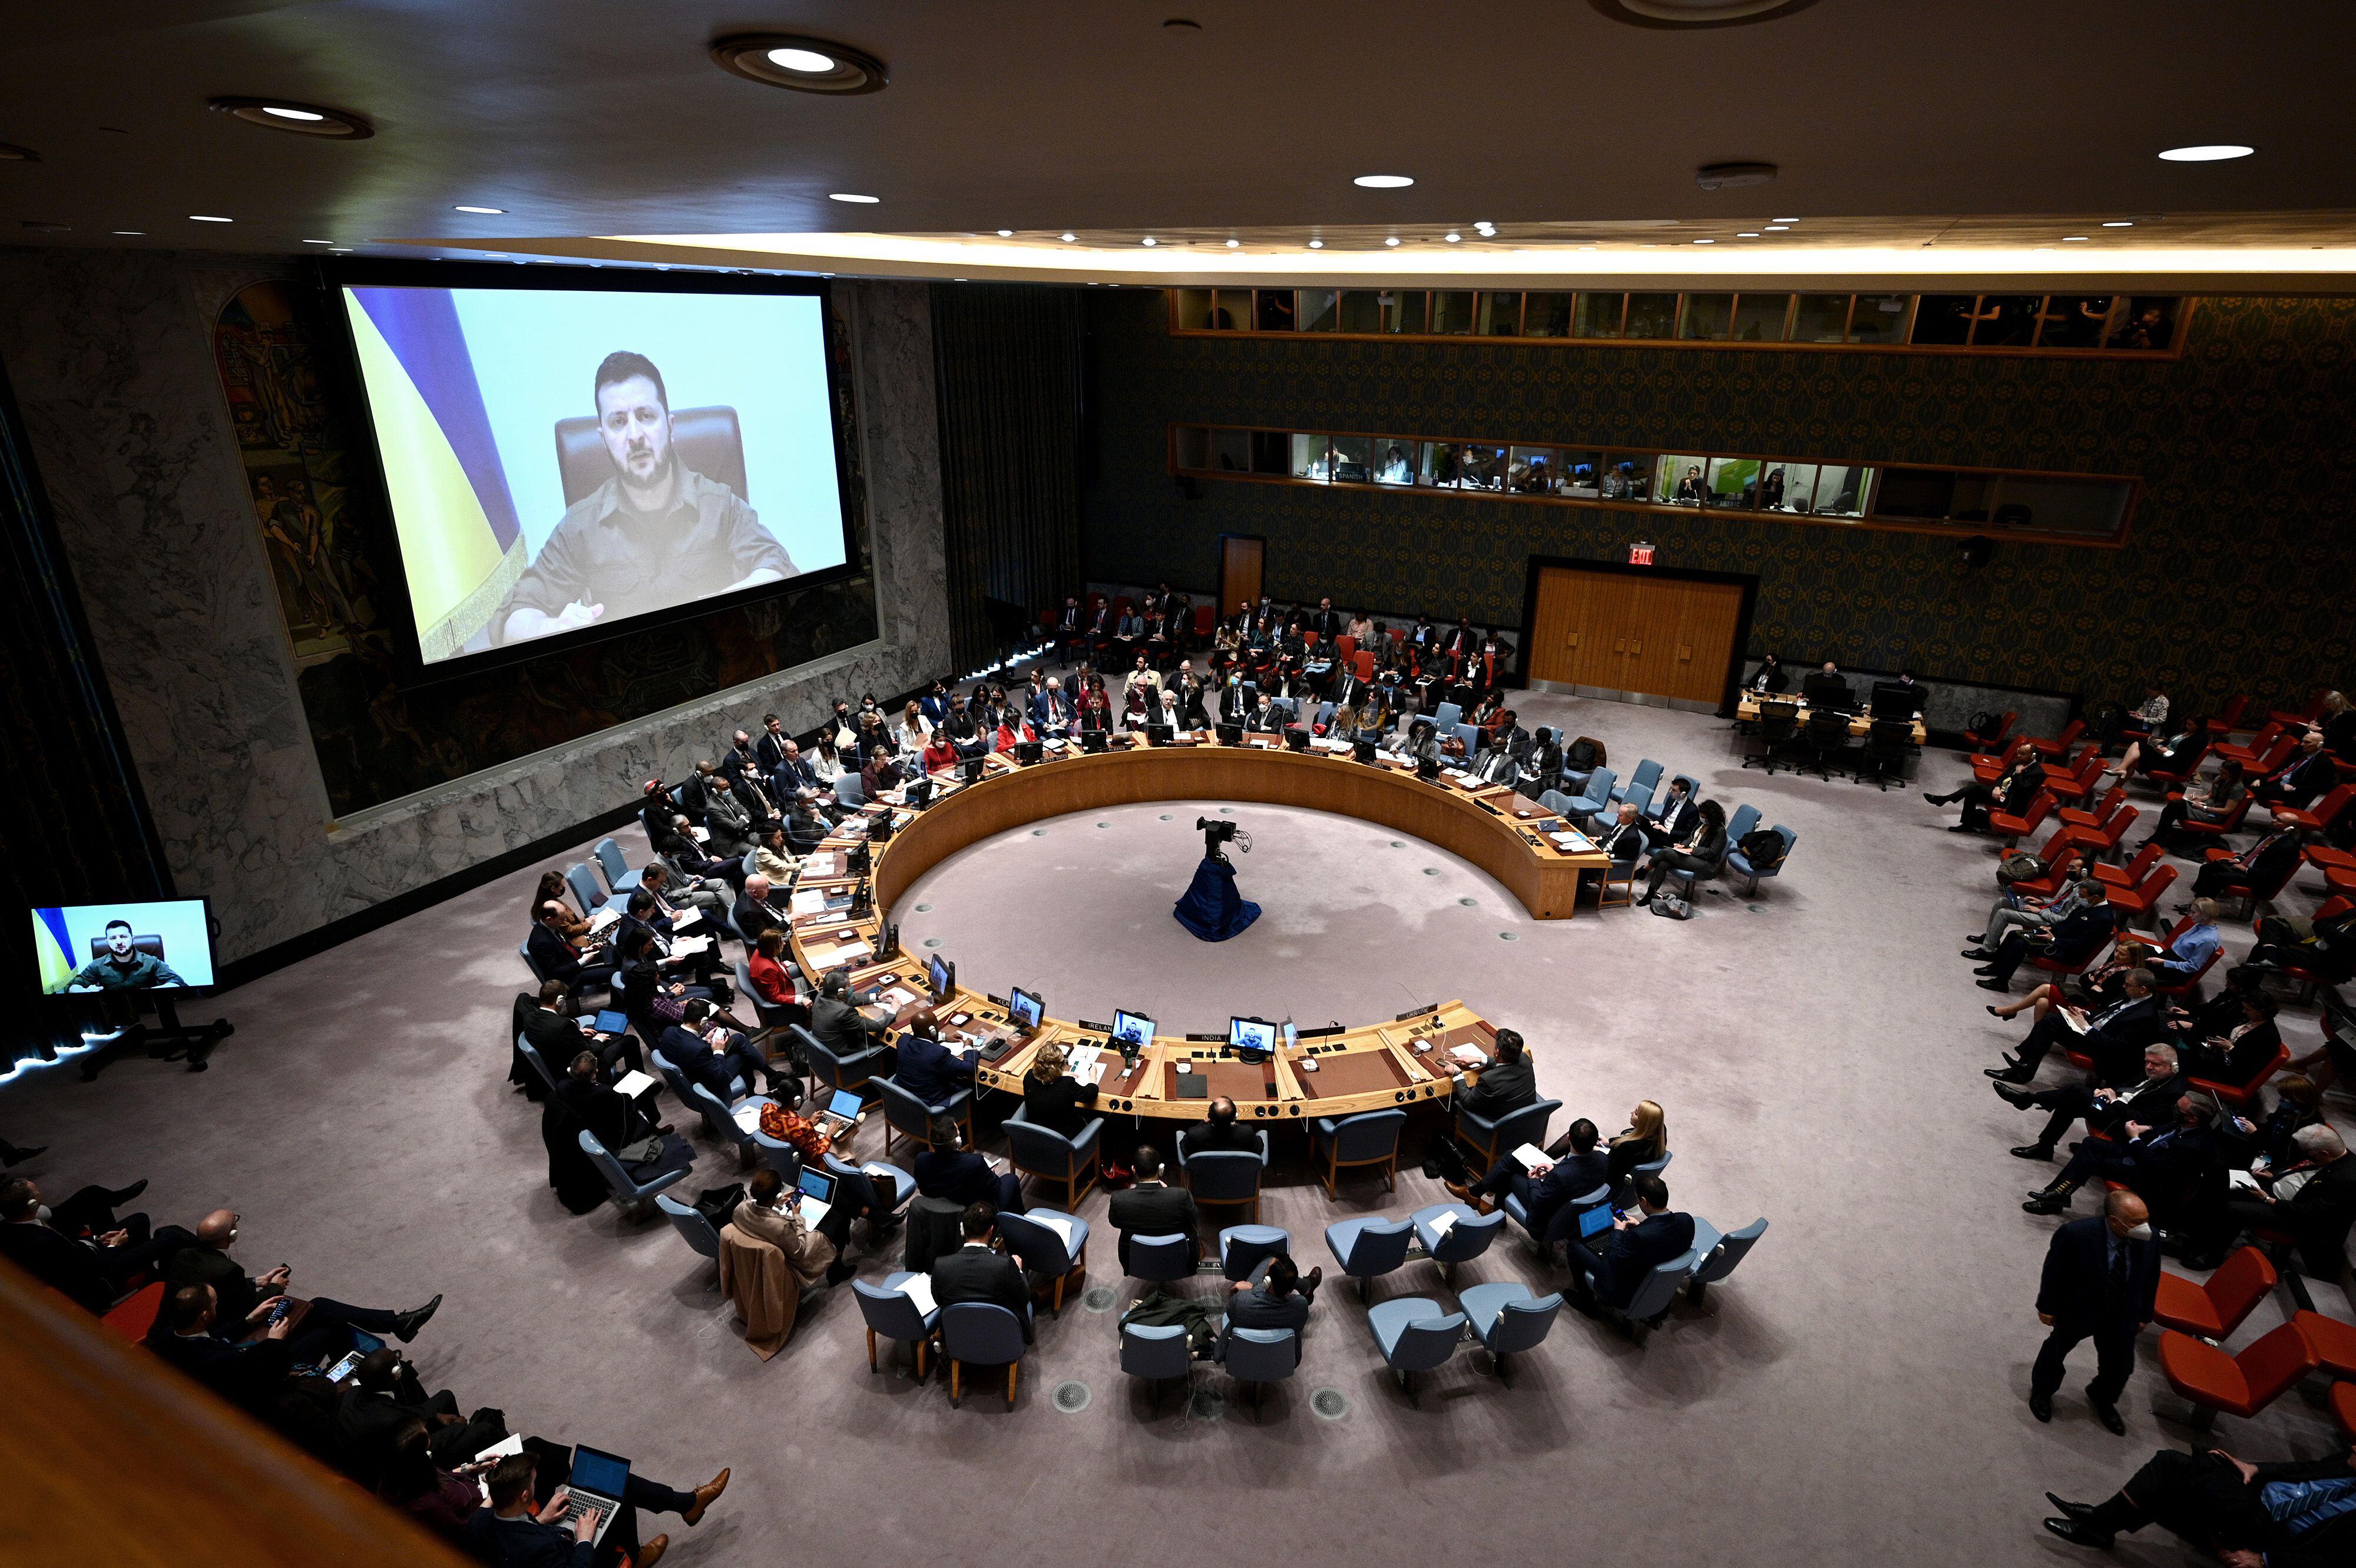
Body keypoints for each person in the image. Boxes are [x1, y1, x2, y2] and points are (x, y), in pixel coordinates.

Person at [492, 351, 794, 646]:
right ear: (604, 439)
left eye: (646, 416)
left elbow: (779, 570)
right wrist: (553, 627)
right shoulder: (580, 526)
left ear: (670, 427)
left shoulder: (720, 505)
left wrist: (721, 606)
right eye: (618, 422)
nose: (635, 436)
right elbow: (512, 620)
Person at [165, 1208, 441, 1359]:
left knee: (322, 1310)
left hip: (233, 1326)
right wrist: (274, 1287)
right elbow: (251, 1303)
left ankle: (393, 1331)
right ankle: (388, 1341)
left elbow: (225, 1290)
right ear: (232, 1236)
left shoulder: (183, 1257)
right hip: (250, 1346)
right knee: (322, 1314)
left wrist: (257, 1281)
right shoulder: (227, 1270)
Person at [2040, 1441, 2356, 1559]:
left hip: (2272, 1533)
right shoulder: (2348, 1460)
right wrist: (2255, 1467)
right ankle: (2101, 1526)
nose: (2353, 1446)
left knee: (2178, 1469)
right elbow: (2305, 1468)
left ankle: (2101, 1522)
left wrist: (2265, 1561)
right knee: (2182, 1473)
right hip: (2257, 1494)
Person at [2024, 1190, 2159, 1432]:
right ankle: (2042, 1391)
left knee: (2121, 1367)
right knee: (2056, 1352)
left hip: (2123, 1313)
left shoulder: (2150, 1238)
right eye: (2138, 1222)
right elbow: (2054, 1272)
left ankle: (2102, 1397)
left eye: (2146, 1219)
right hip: (2079, 1308)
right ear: (2115, 1222)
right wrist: (2046, 1307)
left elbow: (2151, 1278)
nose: (2146, 1227)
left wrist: (2144, 1314)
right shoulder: (2076, 1234)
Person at [466, 1446, 726, 1568]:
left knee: (604, 1494)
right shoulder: (538, 1550)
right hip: (573, 1556)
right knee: (616, 1501)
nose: (537, 1484)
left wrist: (541, 1518)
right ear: (524, 1496)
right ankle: (636, 1557)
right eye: (534, 1482)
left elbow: (491, 1504)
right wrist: (584, 1540)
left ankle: (686, 1504)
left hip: (539, 1536)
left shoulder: (478, 1523)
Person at [0, 1174, 187, 1314]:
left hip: (84, 1262)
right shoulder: (43, 1241)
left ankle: (149, 1276)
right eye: (37, 1192)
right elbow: (91, 1270)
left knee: (140, 1220)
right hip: (97, 1285)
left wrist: (98, 1239)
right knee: (172, 1238)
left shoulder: (10, 1227)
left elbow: (73, 1252)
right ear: (32, 1206)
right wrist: (114, 1245)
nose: (41, 1194)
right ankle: (168, 1291)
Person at [2200, 1123, 2356, 1275]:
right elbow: (2298, 1171)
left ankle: (2212, 1256)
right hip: (2274, 1193)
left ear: (2323, 1154)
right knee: (2221, 1183)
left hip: (2296, 1218)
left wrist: (2268, 1199)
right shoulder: (2329, 1154)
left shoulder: (2348, 1179)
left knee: (2234, 1209)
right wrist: (2275, 1175)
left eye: (2307, 1151)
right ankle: (2198, 1239)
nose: (2305, 1154)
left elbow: (2313, 1213)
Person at [1993, 1043, 2185, 1165]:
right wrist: (2105, 1092)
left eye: (2155, 1065)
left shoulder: (2174, 1091)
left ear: (2172, 1068)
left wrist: (2115, 1101)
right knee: (2071, 1100)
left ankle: (2027, 1101)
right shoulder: (2149, 1071)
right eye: (2147, 1062)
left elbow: (2142, 1119)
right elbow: (2125, 1086)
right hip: (2111, 1107)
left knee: (2076, 1092)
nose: (2149, 1067)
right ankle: (2044, 1145)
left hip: (2124, 1124)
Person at [1447, 1117, 1610, 1246]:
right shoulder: (1603, 1158)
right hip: (1570, 1203)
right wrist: (1553, 1167)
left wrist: (1534, 1181)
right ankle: (1476, 1196)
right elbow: (1576, 1172)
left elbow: (1537, 1201)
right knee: (1513, 1157)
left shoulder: (1560, 1176)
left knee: (1510, 1171)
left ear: (1569, 1138)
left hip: (1546, 1218)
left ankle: (1483, 1203)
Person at [1984, 967, 2159, 1084]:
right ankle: (2025, 1068)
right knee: (2051, 1020)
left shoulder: (2146, 1016)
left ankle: (2024, 1068)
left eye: (2128, 985)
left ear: (2143, 989)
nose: (2124, 986)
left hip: (2102, 1048)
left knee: (2051, 1022)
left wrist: (2086, 1028)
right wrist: (2087, 1014)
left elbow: (2117, 1047)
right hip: (2091, 1030)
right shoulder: (2130, 995)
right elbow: (2107, 1011)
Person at [1561, 1175, 1693, 1316]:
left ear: (1643, 1201)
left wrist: (1618, 1232)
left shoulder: (1639, 1236)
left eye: (1638, 1198)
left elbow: (1614, 1260)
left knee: (1575, 1246)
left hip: (1626, 1288)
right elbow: (1662, 1237)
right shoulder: (1686, 1220)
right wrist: (1641, 1226)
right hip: (1657, 1283)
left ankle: (1586, 1303)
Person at [1974, 880, 2115, 990]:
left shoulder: (2103, 919)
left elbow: (2081, 944)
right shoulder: (2088, 905)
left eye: (2084, 896)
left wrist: (2053, 939)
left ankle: (2001, 982)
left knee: (2021, 944)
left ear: (2095, 897)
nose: (2080, 898)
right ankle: (1995, 967)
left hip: (2066, 951)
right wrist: (2049, 928)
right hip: (2055, 936)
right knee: (2014, 934)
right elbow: (2068, 922)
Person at [732, 1166, 855, 1288]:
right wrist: (798, 1216)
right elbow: (799, 1251)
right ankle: (836, 1271)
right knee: (840, 1217)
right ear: (776, 1195)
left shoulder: (740, 1209)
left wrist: (777, 1204)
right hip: (793, 1256)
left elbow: (762, 1211)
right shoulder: (781, 1227)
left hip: (768, 1240)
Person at [929, 1203, 1034, 1343]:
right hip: (1002, 1339)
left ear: (962, 1229)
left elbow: (938, 1300)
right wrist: (1019, 1270)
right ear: (991, 1231)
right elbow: (1024, 1297)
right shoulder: (1005, 1266)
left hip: (958, 1339)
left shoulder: (941, 1265)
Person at [522, 979, 639, 1077]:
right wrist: (598, 1040)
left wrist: (577, 1033)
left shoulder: (529, 1017)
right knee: (630, 1041)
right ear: (560, 1001)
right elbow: (588, 1051)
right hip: (577, 1067)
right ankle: (640, 1086)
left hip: (555, 1061)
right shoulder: (564, 1025)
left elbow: (554, 1036)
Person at [1106, 1147, 1199, 1270]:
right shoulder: (1182, 1196)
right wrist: (1168, 1194)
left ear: (1134, 1170)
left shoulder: (1119, 1199)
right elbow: (1193, 1219)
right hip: (1178, 1259)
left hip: (1135, 1262)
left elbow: (1115, 1222)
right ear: (1160, 1169)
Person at [1219, 1254, 1322, 1362]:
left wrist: (1253, 1288)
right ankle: (1307, 1287)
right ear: (1291, 1291)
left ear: (1266, 1281)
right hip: (1283, 1361)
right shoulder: (1301, 1306)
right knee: (1279, 1268)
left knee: (1269, 1257)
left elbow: (1230, 1313)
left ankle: (1306, 1285)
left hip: (1241, 1359)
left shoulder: (1240, 1301)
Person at [915, 1116, 1024, 1214]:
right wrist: (990, 1173)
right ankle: (1020, 1218)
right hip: (974, 1213)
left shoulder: (921, 1160)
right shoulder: (975, 1163)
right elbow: (996, 1188)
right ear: (957, 1142)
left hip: (939, 1210)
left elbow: (923, 1189)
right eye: (958, 1132)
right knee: (1012, 1179)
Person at [1636, 798, 1725, 904]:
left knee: (1666, 852)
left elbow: (1711, 852)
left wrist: (1691, 850)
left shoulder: (1720, 831)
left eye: (1704, 816)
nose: (1701, 818)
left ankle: (1644, 870)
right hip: (1690, 854)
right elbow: (1691, 837)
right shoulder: (1701, 824)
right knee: (1663, 863)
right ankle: (1650, 894)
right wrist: (1683, 845)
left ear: (1711, 817)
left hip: (1706, 863)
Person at [64, 918, 190, 990]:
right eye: (113, 938)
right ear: (107, 941)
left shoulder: (152, 962)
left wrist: (154, 992)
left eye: (123, 937)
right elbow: (72, 985)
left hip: (150, 1011)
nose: (119, 942)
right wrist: (81, 991)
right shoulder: (97, 965)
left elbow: (178, 982)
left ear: (132, 939)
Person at [892, 1005, 980, 1106]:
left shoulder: (903, 1041)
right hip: (927, 1101)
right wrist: (968, 1048)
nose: (938, 1027)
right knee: (973, 1088)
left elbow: (918, 1037)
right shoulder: (938, 1053)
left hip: (903, 1094)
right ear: (933, 1031)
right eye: (937, 1026)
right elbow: (969, 1069)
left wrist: (944, 1037)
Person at [1450, 1028, 1535, 1122]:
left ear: (1497, 1052)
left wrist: (1457, 1073)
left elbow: (1467, 1103)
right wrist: (1478, 1060)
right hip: (1528, 1117)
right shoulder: (1524, 1058)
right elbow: (1505, 1063)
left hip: (1500, 1123)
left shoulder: (1488, 1080)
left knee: (1455, 1098)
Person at [528, 904, 615, 996]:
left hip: (572, 962)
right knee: (614, 971)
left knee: (612, 954)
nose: (564, 922)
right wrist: (583, 961)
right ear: (549, 919)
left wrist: (584, 950)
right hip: (569, 978)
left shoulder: (551, 926)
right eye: (561, 919)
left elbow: (566, 947)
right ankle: (616, 1006)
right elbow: (556, 972)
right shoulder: (541, 942)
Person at [1020, 1042, 1100, 1137]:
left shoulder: (1029, 1076)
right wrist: (1093, 1076)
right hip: (1062, 1139)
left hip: (1035, 1135)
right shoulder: (1067, 1084)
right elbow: (1090, 1095)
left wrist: (1057, 1075)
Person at [2251, 727, 2336, 809]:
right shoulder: (2300, 754)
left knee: (2248, 791)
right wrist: (2261, 779)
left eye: (2307, 743)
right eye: (2303, 742)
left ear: (2319, 745)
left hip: (2288, 792)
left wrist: (2294, 789)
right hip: (2275, 782)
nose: (2302, 745)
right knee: (2241, 781)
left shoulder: (2325, 763)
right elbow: (2279, 770)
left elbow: (2323, 787)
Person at [1177, 1097, 1262, 1160]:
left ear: (1209, 1116)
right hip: (1239, 1173)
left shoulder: (1195, 1134)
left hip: (1204, 1173)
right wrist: (1236, 1124)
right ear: (1235, 1118)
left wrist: (1203, 1123)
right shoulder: (1247, 1132)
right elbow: (1259, 1148)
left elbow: (1185, 1149)